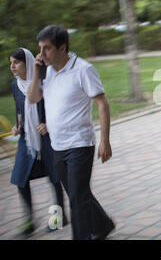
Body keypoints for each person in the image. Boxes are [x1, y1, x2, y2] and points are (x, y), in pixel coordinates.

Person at [27, 25, 115, 240]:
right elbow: (32, 98)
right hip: (58, 145)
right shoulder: (47, 72)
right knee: (78, 194)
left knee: (77, 198)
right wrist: (37, 72)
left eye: (47, 48)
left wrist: (105, 140)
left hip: (80, 144)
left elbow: (102, 104)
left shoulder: (83, 69)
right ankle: (103, 225)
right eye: (40, 48)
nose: (42, 53)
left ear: (62, 47)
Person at [9, 48, 67, 238]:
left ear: (27, 62)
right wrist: (17, 126)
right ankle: (30, 222)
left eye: (15, 63)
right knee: (20, 179)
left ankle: (59, 217)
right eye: (11, 63)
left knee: (54, 178)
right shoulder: (15, 85)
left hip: (46, 137)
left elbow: (56, 105)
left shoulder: (44, 82)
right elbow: (20, 109)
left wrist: (48, 124)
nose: (12, 67)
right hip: (27, 139)